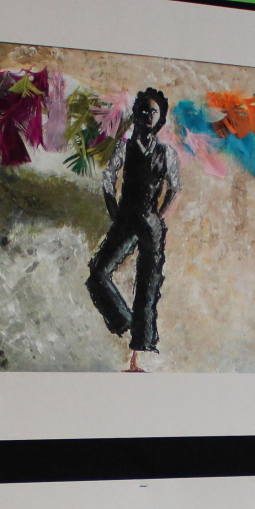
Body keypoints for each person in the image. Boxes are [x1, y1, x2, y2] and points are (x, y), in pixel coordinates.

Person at [87, 87, 181, 372]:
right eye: (144, 110)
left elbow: (174, 188)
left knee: (147, 289)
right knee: (98, 273)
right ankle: (123, 320)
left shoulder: (166, 152)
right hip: (126, 218)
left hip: (151, 223)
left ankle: (137, 359)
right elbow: (108, 179)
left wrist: (159, 216)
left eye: (154, 112)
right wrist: (115, 212)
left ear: (161, 118)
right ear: (137, 114)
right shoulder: (125, 146)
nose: (149, 116)